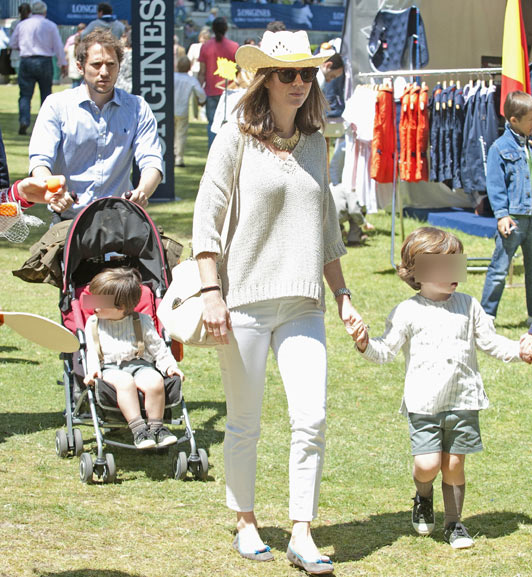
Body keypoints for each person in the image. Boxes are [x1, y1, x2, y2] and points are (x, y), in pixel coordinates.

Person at [192, 30, 367, 574]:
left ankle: (301, 531)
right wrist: (211, 292)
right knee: (245, 422)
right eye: (287, 73)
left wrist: (343, 297)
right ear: (264, 78)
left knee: (311, 417)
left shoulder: (318, 143)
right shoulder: (234, 139)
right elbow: (206, 220)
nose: (298, 83)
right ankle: (246, 521)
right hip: (240, 301)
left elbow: (327, 232)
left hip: (303, 304)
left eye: (306, 73)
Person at [355, 227, 532, 549]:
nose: (454, 274)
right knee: (427, 465)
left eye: (456, 264)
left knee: (453, 465)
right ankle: (423, 497)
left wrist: (520, 350)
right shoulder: (407, 311)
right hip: (423, 404)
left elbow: (491, 343)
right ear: (417, 272)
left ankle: (454, 523)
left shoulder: (469, 305)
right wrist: (366, 344)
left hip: (463, 400)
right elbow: (385, 351)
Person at [28, 28, 163, 221]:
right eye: (96, 64)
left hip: (121, 220)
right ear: (80, 67)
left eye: (111, 64)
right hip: (68, 220)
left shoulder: (137, 107)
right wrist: (55, 192)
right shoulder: (56, 105)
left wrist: (142, 192)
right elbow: (40, 161)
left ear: (119, 66)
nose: (104, 72)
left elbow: (152, 160)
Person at [84, 268, 184, 449]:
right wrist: (92, 371)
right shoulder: (93, 323)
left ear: (120, 307)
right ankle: (138, 430)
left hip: (140, 365)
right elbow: (91, 351)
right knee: (124, 382)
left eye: (100, 301)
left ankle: (156, 428)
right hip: (110, 369)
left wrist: (169, 366)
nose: (94, 305)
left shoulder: (142, 321)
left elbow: (157, 347)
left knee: (155, 381)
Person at [481, 91, 532, 324]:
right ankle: (487, 317)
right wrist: (501, 215)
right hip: (513, 220)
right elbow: (495, 184)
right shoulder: (499, 148)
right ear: (514, 120)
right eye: (531, 119)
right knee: (499, 270)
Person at [8, 1, 67, 136]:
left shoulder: (22, 25)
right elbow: (58, 46)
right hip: (45, 61)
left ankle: (24, 121)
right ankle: (46, 125)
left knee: (25, 95)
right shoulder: (50, 25)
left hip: (27, 60)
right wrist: (62, 63)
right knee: (46, 95)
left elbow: (12, 43)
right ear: (45, 12)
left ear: (31, 11)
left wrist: (23, 47)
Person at [198, 17, 238, 148]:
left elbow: (202, 72)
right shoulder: (234, 47)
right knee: (230, 126)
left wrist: (199, 93)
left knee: (212, 125)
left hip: (211, 91)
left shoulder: (205, 46)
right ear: (226, 29)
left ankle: (212, 154)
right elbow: (238, 71)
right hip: (230, 91)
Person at [174, 55, 206, 166]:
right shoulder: (191, 79)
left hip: (170, 109)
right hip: (182, 110)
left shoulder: (172, 77)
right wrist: (201, 101)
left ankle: (171, 155)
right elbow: (201, 93)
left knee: (171, 134)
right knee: (181, 134)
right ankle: (179, 158)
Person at [8, 3, 31, 76]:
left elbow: (12, 40)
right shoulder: (33, 23)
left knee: (21, 78)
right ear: (30, 11)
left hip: (17, 53)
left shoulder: (14, 24)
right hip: (30, 54)